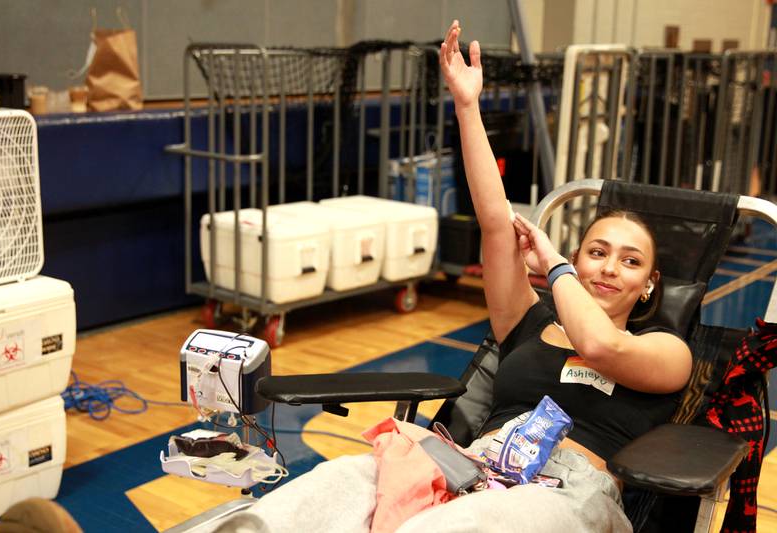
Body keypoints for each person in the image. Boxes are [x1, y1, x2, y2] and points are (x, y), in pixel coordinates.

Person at [216, 20, 692, 533]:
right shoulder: (529, 323)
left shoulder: (667, 351)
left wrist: (555, 265)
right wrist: (467, 106)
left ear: (650, 284)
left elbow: (599, 346)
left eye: (630, 260)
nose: (609, 268)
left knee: (448, 528)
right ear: (580, 259)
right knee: (343, 482)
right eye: (597, 252)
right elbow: (495, 223)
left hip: (565, 492)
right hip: (474, 464)